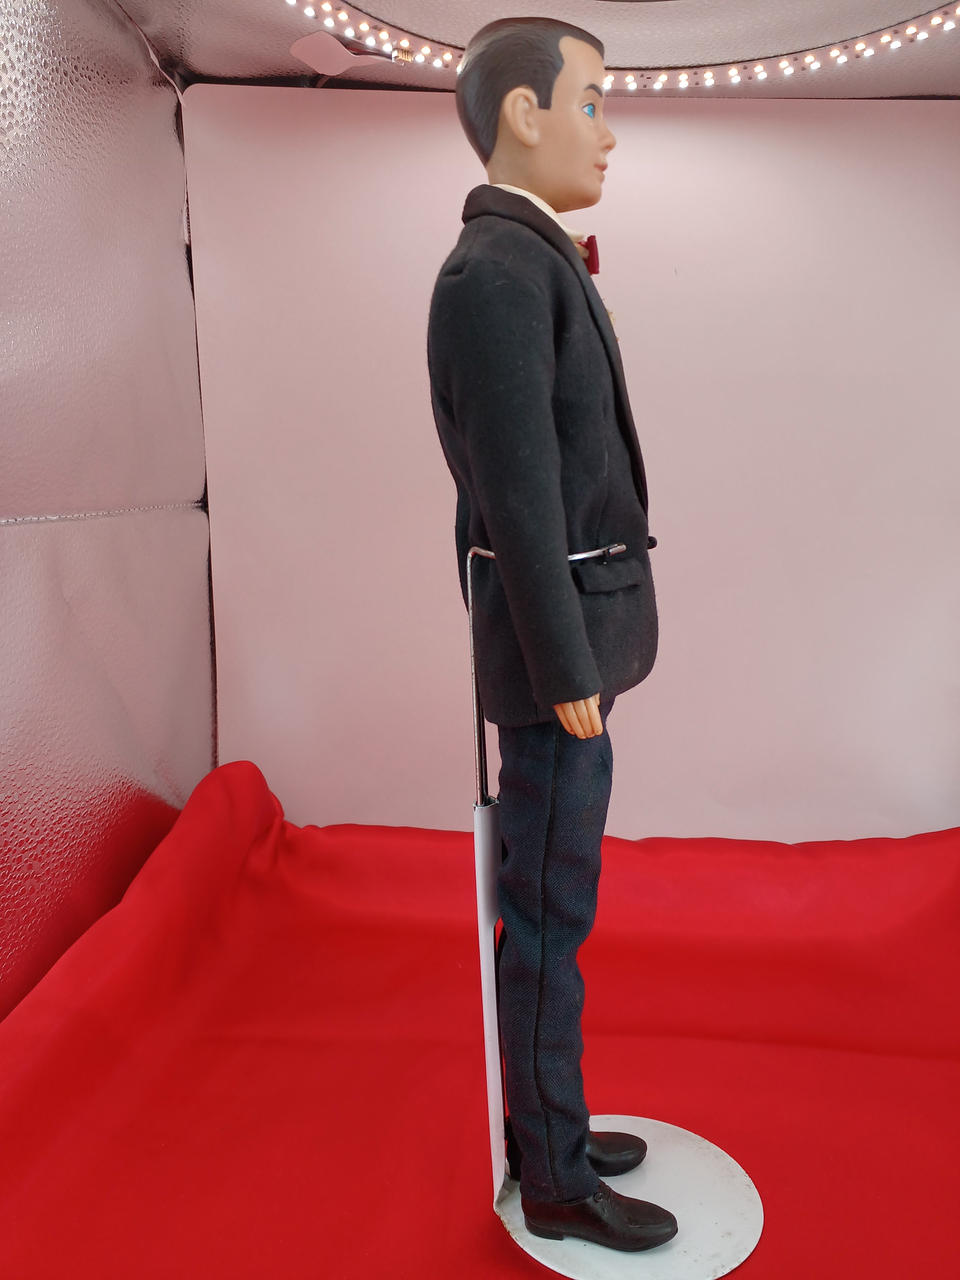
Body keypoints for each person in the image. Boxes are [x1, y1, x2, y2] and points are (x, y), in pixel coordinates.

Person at [426, 16, 678, 1254]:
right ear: (524, 115)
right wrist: (562, 664)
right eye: (590, 104)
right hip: (553, 661)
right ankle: (557, 1174)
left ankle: (550, 1127)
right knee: (544, 912)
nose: (608, 131)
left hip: (573, 643)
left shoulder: (530, 261)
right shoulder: (494, 274)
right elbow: (515, 494)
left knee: (557, 901)